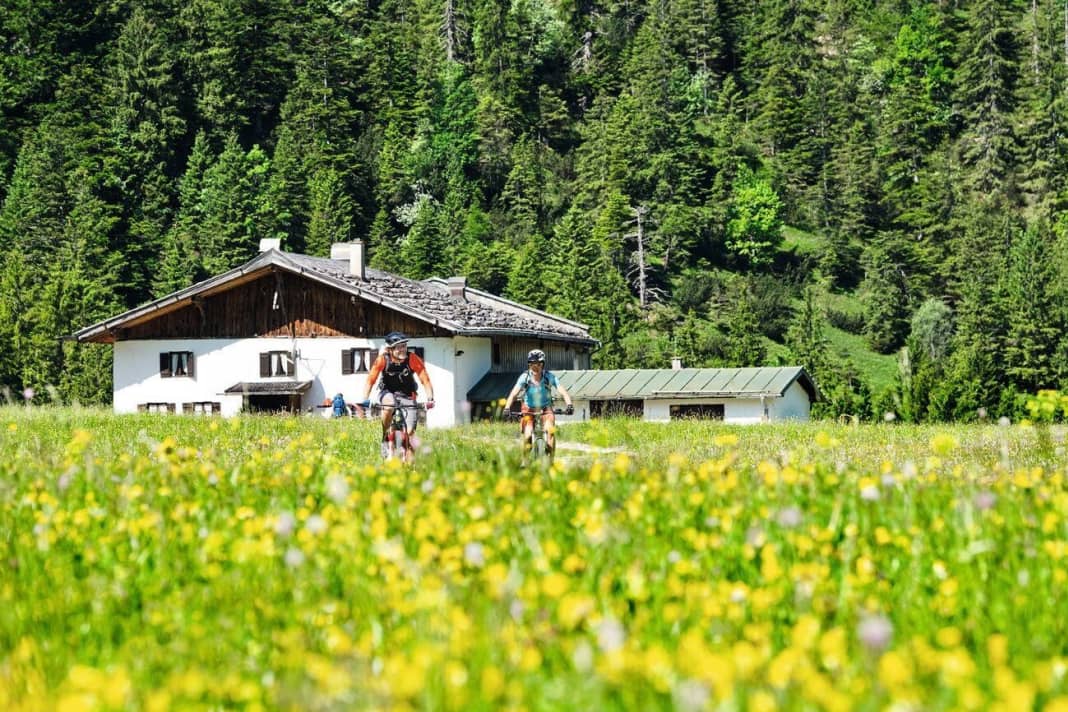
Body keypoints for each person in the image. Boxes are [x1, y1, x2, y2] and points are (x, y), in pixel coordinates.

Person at [358, 331, 435, 459]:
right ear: (390, 349)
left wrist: (430, 398)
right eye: (399, 347)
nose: (403, 349)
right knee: (389, 405)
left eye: (404, 346)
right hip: (387, 392)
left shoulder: (412, 358)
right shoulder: (382, 359)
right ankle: (385, 435)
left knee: (410, 431)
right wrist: (365, 399)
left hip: (408, 395)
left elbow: (425, 379)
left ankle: (409, 464)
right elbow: (370, 380)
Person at [504, 349, 574, 459]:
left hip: (545, 408)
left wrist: (569, 405)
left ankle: (550, 460)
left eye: (538, 364)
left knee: (550, 431)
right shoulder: (525, 377)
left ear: (542, 365)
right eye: (532, 364)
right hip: (528, 409)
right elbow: (513, 393)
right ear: (529, 365)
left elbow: (562, 391)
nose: (535, 367)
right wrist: (507, 408)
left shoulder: (549, 377)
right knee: (527, 435)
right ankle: (525, 460)